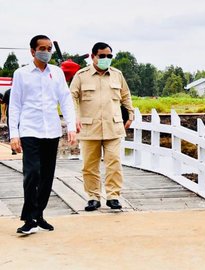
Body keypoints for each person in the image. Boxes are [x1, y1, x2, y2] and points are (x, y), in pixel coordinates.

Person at [10, 35, 77, 234]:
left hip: (52, 130)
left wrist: (71, 127)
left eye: (49, 48)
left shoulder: (56, 73)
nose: (46, 51)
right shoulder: (21, 73)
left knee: (47, 176)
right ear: (32, 51)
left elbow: (65, 100)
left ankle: (38, 215)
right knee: (32, 173)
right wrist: (14, 134)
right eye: (42, 48)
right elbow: (14, 105)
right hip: (30, 129)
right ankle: (29, 219)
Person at [70, 42, 134, 211]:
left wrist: (130, 114)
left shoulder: (117, 75)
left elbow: (126, 96)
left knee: (114, 162)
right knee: (90, 165)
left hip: (113, 127)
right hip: (89, 128)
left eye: (109, 56)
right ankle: (93, 197)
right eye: (102, 56)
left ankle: (113, 196)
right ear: (93, 57)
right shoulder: (81, 76)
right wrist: (74, 118)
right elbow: (72, 98)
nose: (106, 59)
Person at [1, 89, 17, 155]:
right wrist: (3, 115)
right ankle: (13, 148)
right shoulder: (8, 92)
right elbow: (4, 104)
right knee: (12, 130)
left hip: (22, 115)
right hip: (11, 114)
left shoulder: (23, 90)